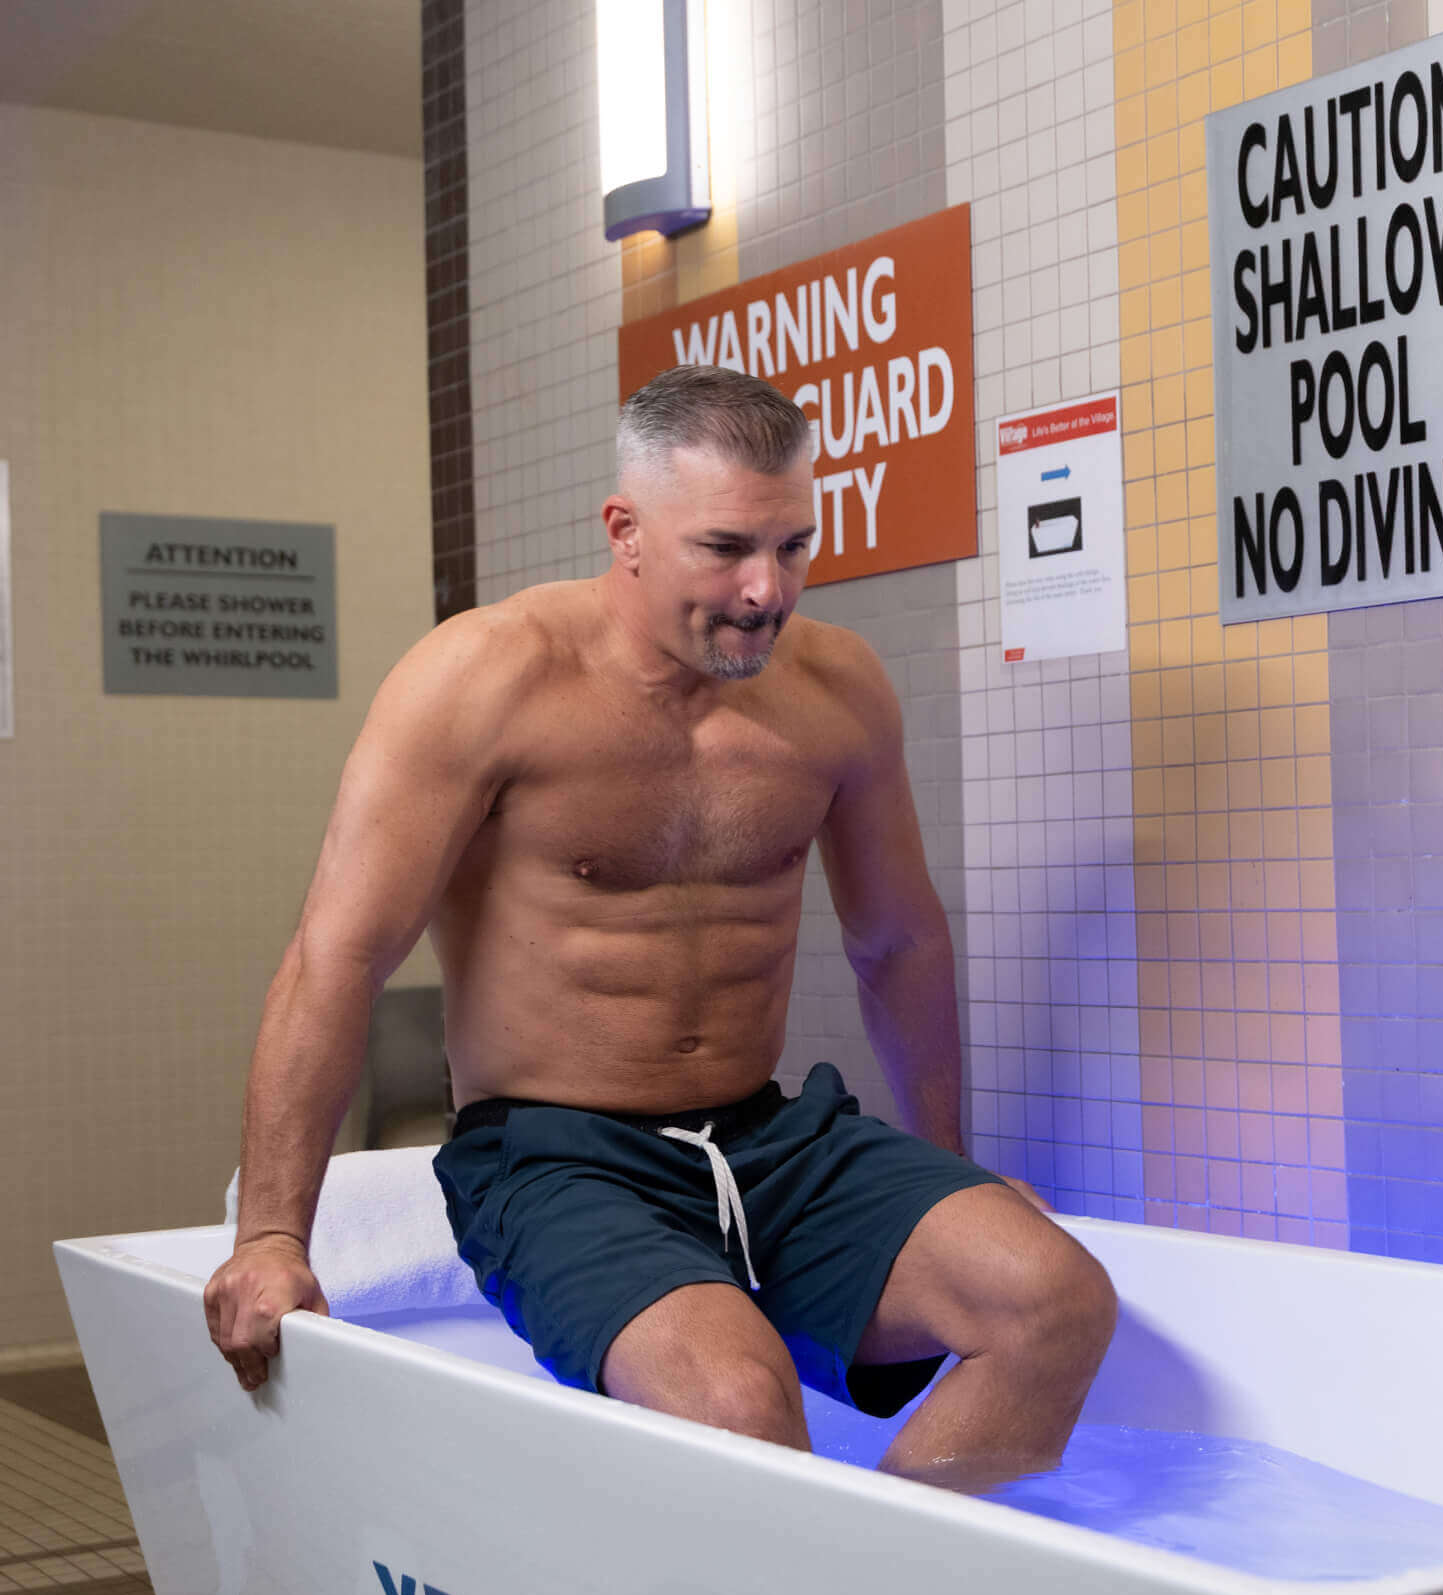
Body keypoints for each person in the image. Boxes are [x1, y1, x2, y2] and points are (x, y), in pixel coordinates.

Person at [202, 364, 1116, 1491]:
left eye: (793, 546)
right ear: (625, 531)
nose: (765, 591)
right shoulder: (485, 681)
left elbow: (897, 944)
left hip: (767, 1138)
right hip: (555, 1158)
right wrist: (272, 1237)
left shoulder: (837, 690)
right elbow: (336, 955)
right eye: (725, 548)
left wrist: (949, 1157)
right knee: (738, 1403)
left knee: (1054, 1302)